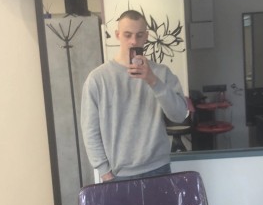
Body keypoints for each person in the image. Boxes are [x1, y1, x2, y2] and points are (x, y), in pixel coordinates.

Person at [81, 10, 188, 182]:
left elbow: (179, 115)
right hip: (118, 174)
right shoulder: (98, 79)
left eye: (139, 35)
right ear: (117, 35)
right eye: (127, 35)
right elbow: (90, 130)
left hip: (158, 168)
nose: (133, 41)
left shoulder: (161, 73)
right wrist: (104, 171)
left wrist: (153, 80)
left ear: (146, 36)